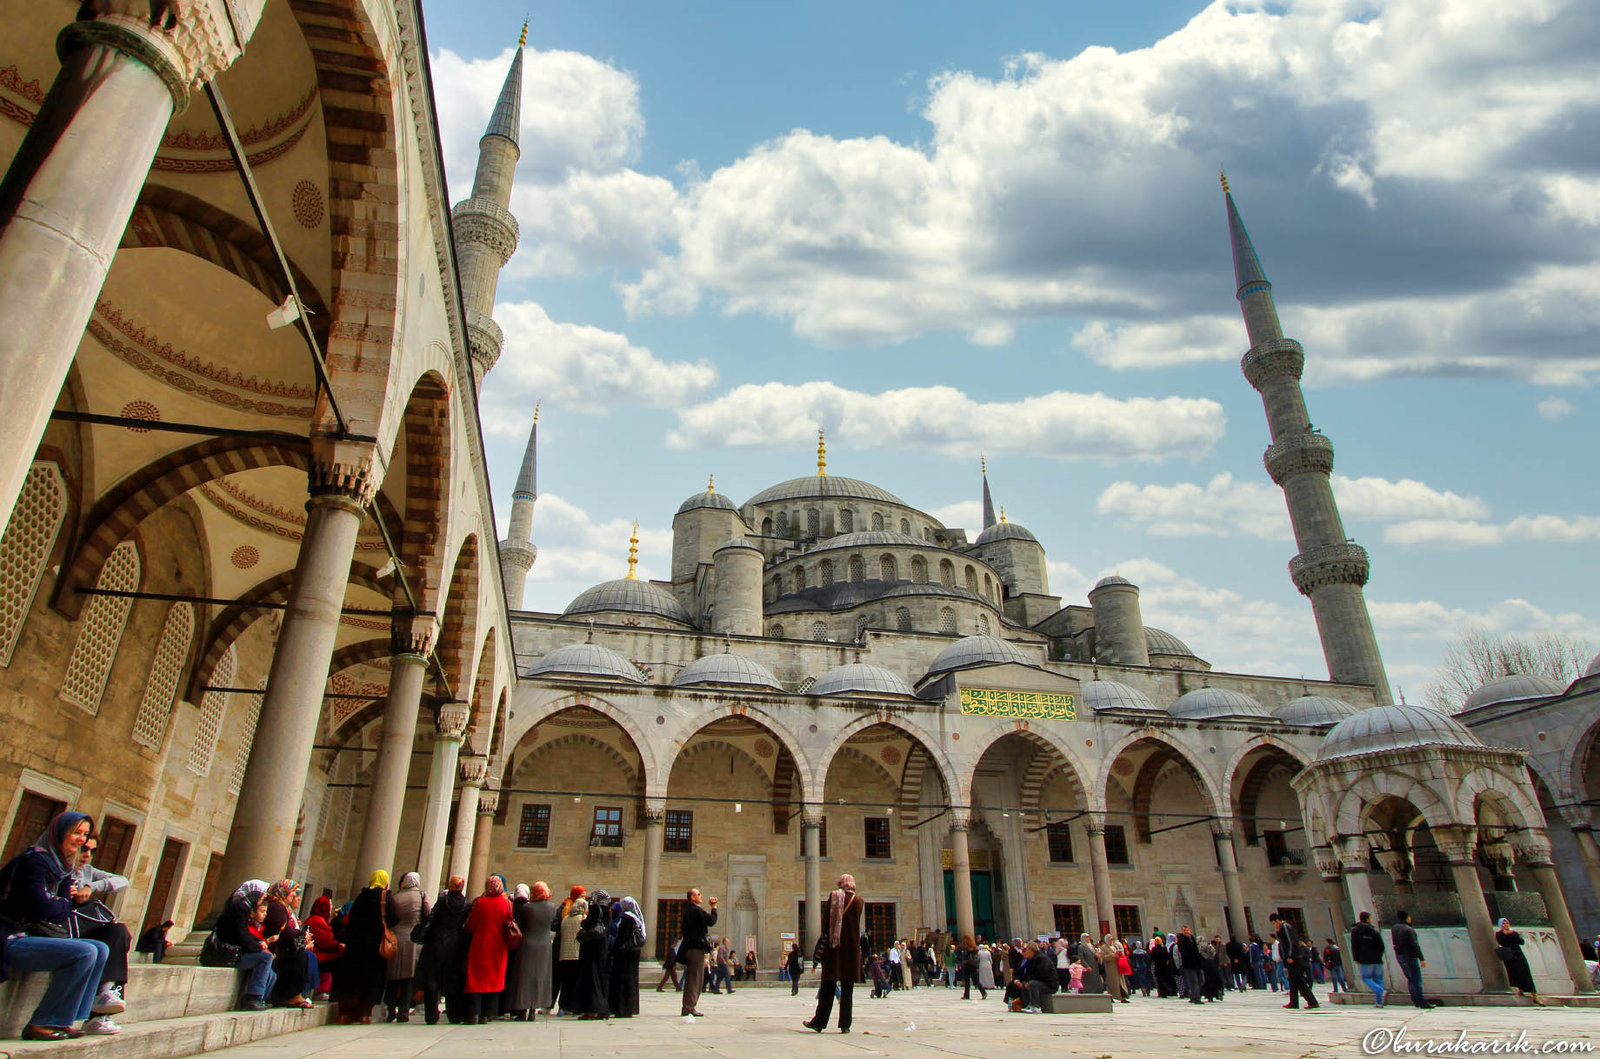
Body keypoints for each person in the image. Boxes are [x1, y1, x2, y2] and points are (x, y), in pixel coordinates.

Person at [0, 811, 114, 1041]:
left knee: (101, 949)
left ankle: (65, 1019)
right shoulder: (34, 861)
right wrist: (60, 903)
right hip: (7, 937)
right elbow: (41, 908)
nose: (81, 839)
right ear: (60, 832)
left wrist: (58, 903)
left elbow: (62, 913)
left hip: (27, 935)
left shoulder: (62, 867)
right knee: (85, 952)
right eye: (76, 832)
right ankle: (42, 1023)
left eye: (85, 834)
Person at [68, 834, 133, 1028]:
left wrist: (90, 886)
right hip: (58, 930)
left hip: (79, 929)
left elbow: (123, 881)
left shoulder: (87, 871)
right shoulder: (55, 867)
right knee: (98, 949)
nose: (87, 855)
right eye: (84, 849)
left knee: (118, 932)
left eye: (92, 851)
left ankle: (104, 1003)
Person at [334, 870, 397, 1024]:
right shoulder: (385, 898)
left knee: (353, 978)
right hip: (375, 945)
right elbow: (395, 918)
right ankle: (364, 1014)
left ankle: (345, 1013)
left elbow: (352, 918)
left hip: (356, 944)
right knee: (371, 979)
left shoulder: (362, 896)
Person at [803, 874, 863, 1033]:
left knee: (828, 987)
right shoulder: (859, 901)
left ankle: (819, 1022)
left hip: (834, 949)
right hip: (851, 951)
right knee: (847, 990)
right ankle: (845, 1025)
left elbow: (826, 924)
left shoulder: (834, 897)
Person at [215, 879, 277, 1012]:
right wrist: (258, 946)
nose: (263, 898)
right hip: (228, 954)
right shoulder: (241, 908)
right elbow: (240, 934)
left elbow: (243, 933)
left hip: (232, 951)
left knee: (271, 973)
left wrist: (258, 942)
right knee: (266, 958)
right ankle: (253, 997)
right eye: (262, 895)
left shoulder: (241, 906)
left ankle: (260, 999)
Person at [415, 875, 470, 1024]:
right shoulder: (466, 904)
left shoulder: (442, 901)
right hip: (456, 944)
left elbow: (432, 919)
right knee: (453, 980)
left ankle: (431, 1015)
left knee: (432, 980)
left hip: (437, 943)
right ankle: (454, 1015)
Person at [463, 874, 513, 1024]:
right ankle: (488, 1014)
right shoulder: (507, 904)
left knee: (476, 978)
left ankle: (474, 1013)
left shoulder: (480, 902)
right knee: (494, 978)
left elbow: (472, 924)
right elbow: (508, 922)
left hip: (480, 944)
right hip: (498, 946)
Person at [260, 879, 316, 1009]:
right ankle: (291, 996)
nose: (295, 896)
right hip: (274, 950)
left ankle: (297, 994)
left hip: (279, 948)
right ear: (283, 892)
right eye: (292, 892)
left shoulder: (282, 908)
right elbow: (283, 932)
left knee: (302, 954)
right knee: (299, 956)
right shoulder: (276, 907)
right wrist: (302, 936)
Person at [509, 881, 555, 1019]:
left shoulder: (527, 907)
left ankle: (522, 1009)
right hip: (544, 945)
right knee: (540, 977)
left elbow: (521, 923)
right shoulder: (551, 907)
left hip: (528, 942)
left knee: (524, 977)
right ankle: (533, 1010)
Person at [385, 872, 427, 1022]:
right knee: (409, 978)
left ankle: (390, 1010)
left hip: (395, 939)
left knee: (393, 977)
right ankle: (404, 1011)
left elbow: (390, 916)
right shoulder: (421, 896)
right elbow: (427, 914)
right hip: (412, 940)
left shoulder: (395, 897)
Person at [678, 888, 718, 1018]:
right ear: (692, 897)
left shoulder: (687, 910)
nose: (701, 896)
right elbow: (711, 921)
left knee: (692, 978)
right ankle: (689, 1007)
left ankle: (688, 1006)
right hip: (696, 948)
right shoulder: (695, 910)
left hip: (690, 947)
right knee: (695, 978)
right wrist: (714, 907)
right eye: (698, 894)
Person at [1268, 913, 1318, 1010]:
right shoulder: (1282, 928)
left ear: (1277, 920)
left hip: (1294, 958)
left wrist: (1290, 956)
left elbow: (1291, 942)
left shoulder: (1285, 926)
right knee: (1293, 981)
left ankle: (1312, 1001)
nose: (1275, 925)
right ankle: (1294, 1002)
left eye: (1274, 923)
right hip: (1289, 959)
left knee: (1299, 980)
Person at [575, 889, 612, 1019]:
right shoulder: (607, 910)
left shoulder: (596, 909)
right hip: (602, 948)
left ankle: (591, 1010)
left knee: (591, 978)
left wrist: (583, 922)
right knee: (600, 978)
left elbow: (589, 923)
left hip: (592, 947)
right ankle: (603, 1009)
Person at [607, 895, 645, 1017]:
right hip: (633, 953)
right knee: (631, 980)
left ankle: (623, 1008)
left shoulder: (628, 918)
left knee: (624, 980)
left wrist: (615, 949)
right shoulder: (636, 918)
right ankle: (631, 1007)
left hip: (625, 954)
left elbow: (622, 936)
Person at [1390, 909, 1432, 1009]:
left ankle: (1415, 1000)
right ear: (1407, 918)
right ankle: (1421, 1001)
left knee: (1410, 978)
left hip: (1400, 955)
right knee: (1416, 979)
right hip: (1410, 956)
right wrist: (1421, 958)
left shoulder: (1395, 928)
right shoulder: (1408, 929)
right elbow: (1414, 944)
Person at [556, 888, 587, 1015]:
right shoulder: (582, 919)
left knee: (565, 983)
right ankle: (574, 1007)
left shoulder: (565, 919)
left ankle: (562, 1007)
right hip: (577, 954)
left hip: (564, 955)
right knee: (576, 983)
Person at [304, 896, 342, 999]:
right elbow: (326, 942)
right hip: (316, 953)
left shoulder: (319, 919)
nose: (332, 907)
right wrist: (341, 947)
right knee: (341, 959)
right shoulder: (318, 921)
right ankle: (327, 991)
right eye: (330, 905)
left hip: (317, 951)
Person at [1494, 918, 1538, 1001]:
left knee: (1525, 973)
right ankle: (1520, 989)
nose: (1506, 925)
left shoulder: (1514, 933)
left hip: (1518, 956)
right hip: (1509, 957)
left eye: (1507, 923)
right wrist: (1506, 934)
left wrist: (1512, 934)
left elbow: (1521, 942)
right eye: (1504, 923)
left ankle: (1534, 995)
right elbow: (1501, 942)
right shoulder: (1499, 934)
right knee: (1515, 974)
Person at [1349, 912, 1385, 1005]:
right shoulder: (1374, 931)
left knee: (1366, 978)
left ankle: (1379, 990)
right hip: (1377, 959)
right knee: (1378, 979)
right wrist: (1379, 956)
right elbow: (1381, 946)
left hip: (1364, 960)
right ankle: (1379, 1001)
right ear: (1367, 919)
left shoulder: (1355, 931)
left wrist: (1356, 958)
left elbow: (1354, 946)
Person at [1018, 941, 1058, 1013]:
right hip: (1040, 982)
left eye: (1027, 949)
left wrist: (1030, 981)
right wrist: (1026, 981)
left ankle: (1036, 1006)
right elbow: (1029, 973)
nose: (1026, 952)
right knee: (1025, 984)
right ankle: (1028, 1005)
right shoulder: (1032, 959)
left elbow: (1041, 973)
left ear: (1031, 950)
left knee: (1032, 984)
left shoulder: (1041, 959)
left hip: (1049, 984)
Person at [1175, 926, 1204, 1004]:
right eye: (1184, 930)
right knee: (1193, 981)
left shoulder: (1192, 938)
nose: (1186, 932)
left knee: (1201, 980)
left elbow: (1196, 950)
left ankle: (1193, 995)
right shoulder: (1181, 940)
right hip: (1189, 964)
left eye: (1187, 930)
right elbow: (1183, 952)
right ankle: (1196, 998)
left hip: (1197, 963)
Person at [1099, 934, 1130, 1002]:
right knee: (1112, 982)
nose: (1111, 941)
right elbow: (1102, 957)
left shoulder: (1115, 946)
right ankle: (1112, 996)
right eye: (1110, 940)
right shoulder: (1103, 947)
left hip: (1118, 965)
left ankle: (1123, 996)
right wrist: (1111, 955)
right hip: (1110, 967)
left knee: (1121, 982)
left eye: (1112, 939)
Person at [956, 933, 985, 1000]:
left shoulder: (966, 948)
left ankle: (966, 995)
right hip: (973, 965)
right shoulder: (974, 948)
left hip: (967, 965)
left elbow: (965, 957)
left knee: (967, 981)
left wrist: (964, 960)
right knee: (976, 980)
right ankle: (983, 992)